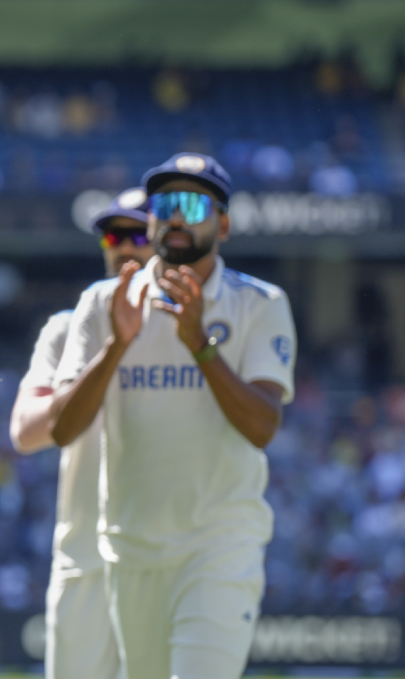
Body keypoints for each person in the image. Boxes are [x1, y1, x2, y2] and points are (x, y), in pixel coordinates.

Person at [50, 153, 296, 679]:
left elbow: (262, 427)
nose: (176, 218)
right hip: (130, 550)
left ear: (224, 223)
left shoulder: (259, 304)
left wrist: (200, 347)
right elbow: (63, 429)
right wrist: (118, 345)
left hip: (219, 546)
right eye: (165, 205)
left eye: (193, 203)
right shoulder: (104, 303)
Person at [10, 187, 153, 679]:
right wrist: (106, 353)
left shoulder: (189, 330)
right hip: (85, 556)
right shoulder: (65, 328)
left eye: (140, 233)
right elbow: (26, 432)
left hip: (165, 554)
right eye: (115, 234)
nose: (125, 246)